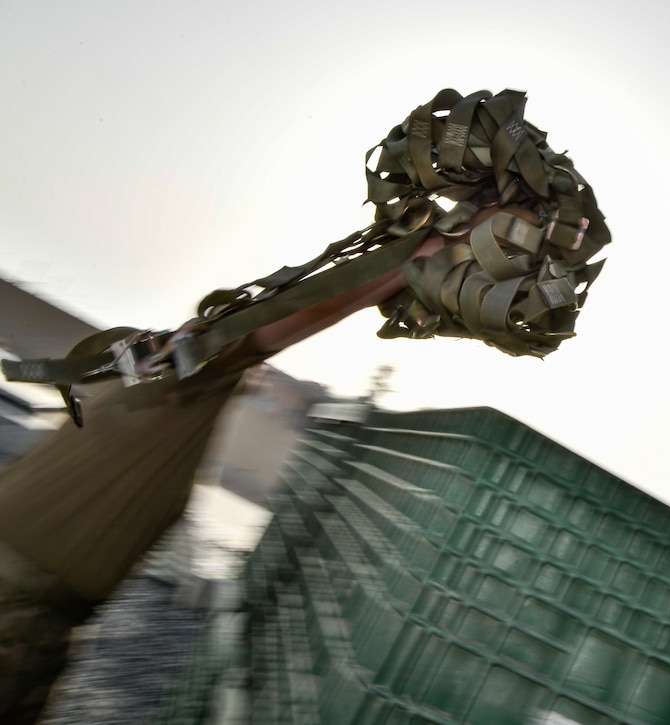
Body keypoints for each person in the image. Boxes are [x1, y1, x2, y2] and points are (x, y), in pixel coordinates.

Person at [0, 88, 610, 723]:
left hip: (35, 620)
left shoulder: (160, 384)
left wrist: (419, 253)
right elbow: (285, 316)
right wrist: (418, 256)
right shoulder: (156, 385)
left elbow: (279, 317)